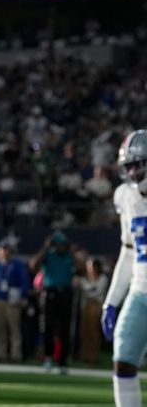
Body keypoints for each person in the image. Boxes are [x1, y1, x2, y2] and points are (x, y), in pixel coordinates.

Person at [101, 130, 147, 406]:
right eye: (127, 165)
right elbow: (128, 253)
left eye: (137, 164)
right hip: (141, 291)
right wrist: (112, 301)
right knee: (123, 359)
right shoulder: (126, 197)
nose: (131, 172)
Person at [30, 230, 80, 374]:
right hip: (50, 293)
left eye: (63, 245)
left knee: (65, 328)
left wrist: (71, 251)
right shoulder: (49, 255)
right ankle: (48, 357)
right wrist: (45, 248)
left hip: (65, 292)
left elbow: (81, 268)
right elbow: (34, 265)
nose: (60, 248)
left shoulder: (69, 256)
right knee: (47, 327)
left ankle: (63, 361)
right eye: (57, 245)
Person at [0, 239, 30, 362]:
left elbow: (24, 282)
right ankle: (1, 354)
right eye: (2, 249)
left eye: (6, 249)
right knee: (0, 327)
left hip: (13, 299)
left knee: (14, 327)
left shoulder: (17, 264)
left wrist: (23, 298)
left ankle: (16, 354)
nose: (4, 251)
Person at [79, 257, 107, 363]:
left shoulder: (102, 278)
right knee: (84, 331)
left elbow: (95, 293)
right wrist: (87, 288)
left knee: (93, 331)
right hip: (85, 306)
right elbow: (88, 291)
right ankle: (85, 355)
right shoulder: (85, 278)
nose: (90, 269)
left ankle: (94, 356)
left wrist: (85, 288)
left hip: (96, 306)